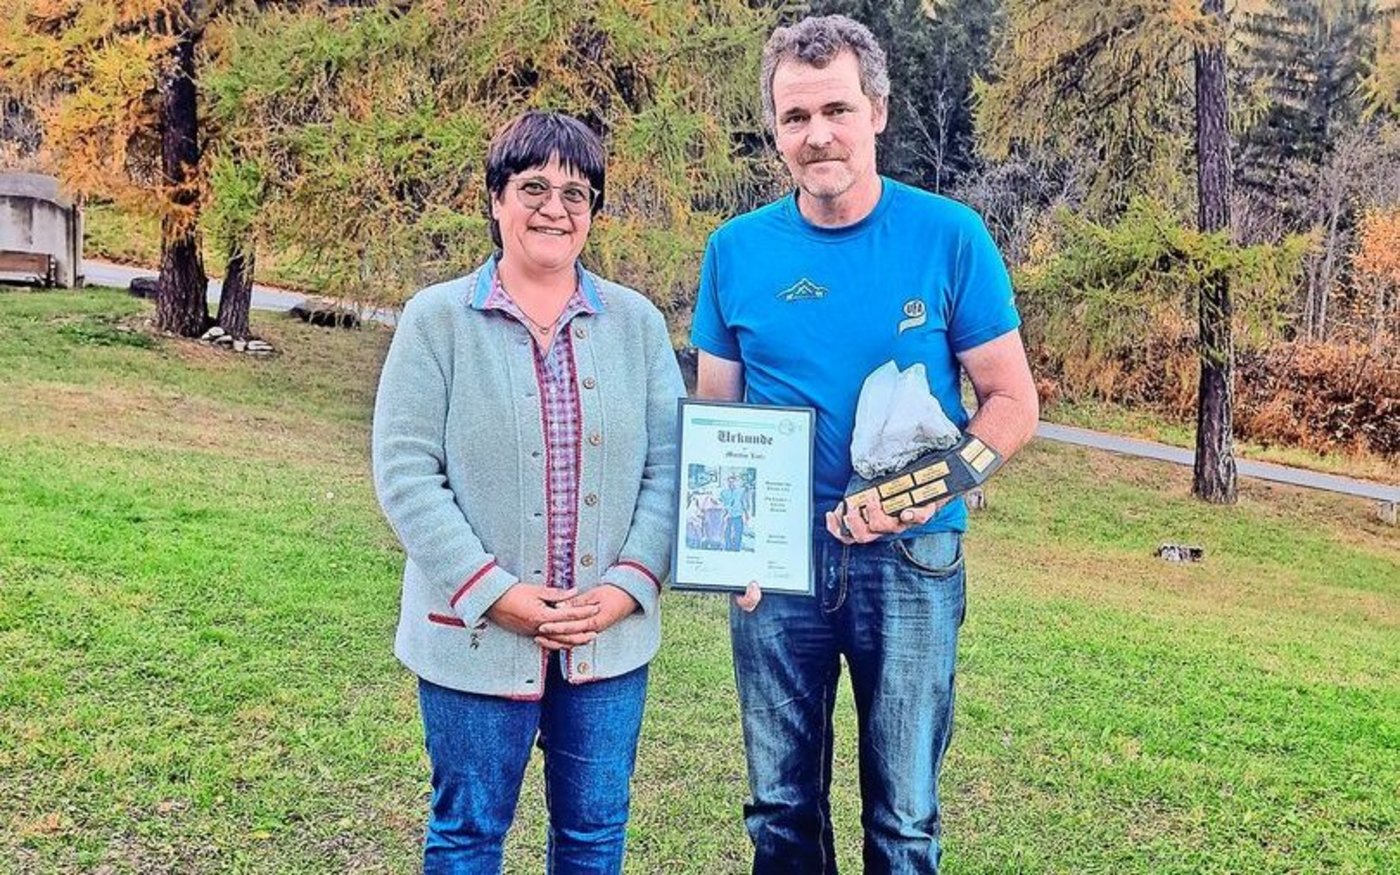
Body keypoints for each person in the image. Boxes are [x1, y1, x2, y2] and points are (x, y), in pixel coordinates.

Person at [690, 15, 1040, 874]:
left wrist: (934, 488)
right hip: (778, 570)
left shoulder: (949, 236)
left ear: (877, 111)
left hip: (913, 559)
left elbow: (1012, 402)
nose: (818, 136)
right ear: (775, 129)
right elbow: (717, 419)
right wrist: (724, 545)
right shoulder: (735, 251)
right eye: (796, 117)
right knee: (778, 810)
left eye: (836, 110)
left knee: (905, 818)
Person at [372, 110, 683, 874]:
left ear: (595, 213)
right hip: (474, 635)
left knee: (593, 836)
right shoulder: (436, 320)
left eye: (577, 193)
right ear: (495, 199)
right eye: (534, 186)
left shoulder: (637, 325)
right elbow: (407, 472)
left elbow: (673, 469)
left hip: (606, 643)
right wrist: (495, 591)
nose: (555, 207)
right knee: (469, 834)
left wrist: (625, 588)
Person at [720, 473, 752, 551]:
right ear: (727, 482)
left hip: (738, 516)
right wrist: (722, 515)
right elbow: (721, 503)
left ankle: (736, 549)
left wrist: (747, 515)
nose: (731, 483)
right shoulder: (724, 492)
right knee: (727, 534)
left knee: (738, 534)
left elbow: (744, 502)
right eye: (729, 482)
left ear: (736, 482)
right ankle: (728, 548)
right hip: (728, 517)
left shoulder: (741, 491)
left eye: (733, 481)